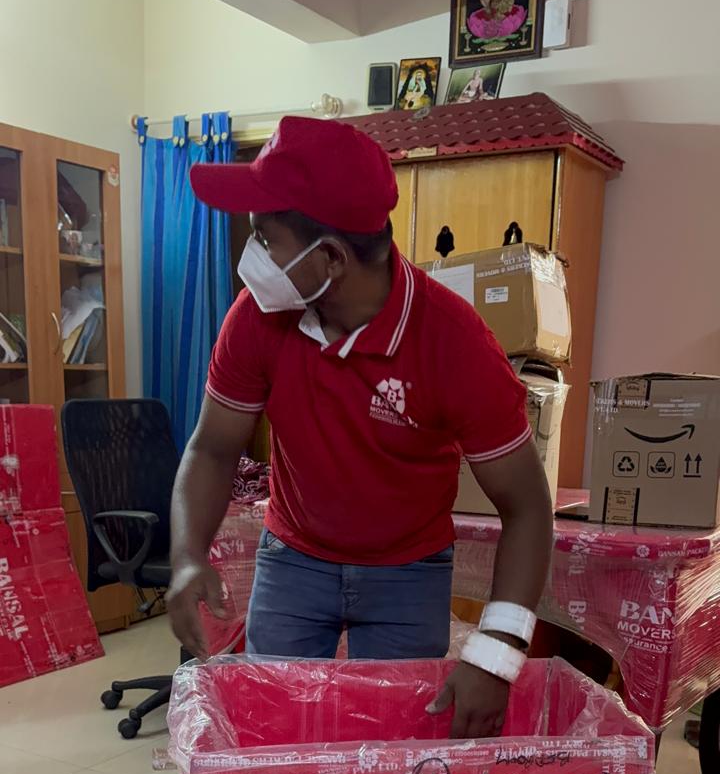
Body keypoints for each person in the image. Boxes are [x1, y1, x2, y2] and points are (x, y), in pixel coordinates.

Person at [168, 116, 553, 738]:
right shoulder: (257, 319)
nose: (252, 257)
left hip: (409, 571)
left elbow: (528, 506)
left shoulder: (454, 343)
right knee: (275, 735)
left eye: (265, 238)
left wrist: (497, 652)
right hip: (294, 560)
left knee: (396, 750)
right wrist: (187, 555)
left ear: (330, 258)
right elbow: (213, 449)